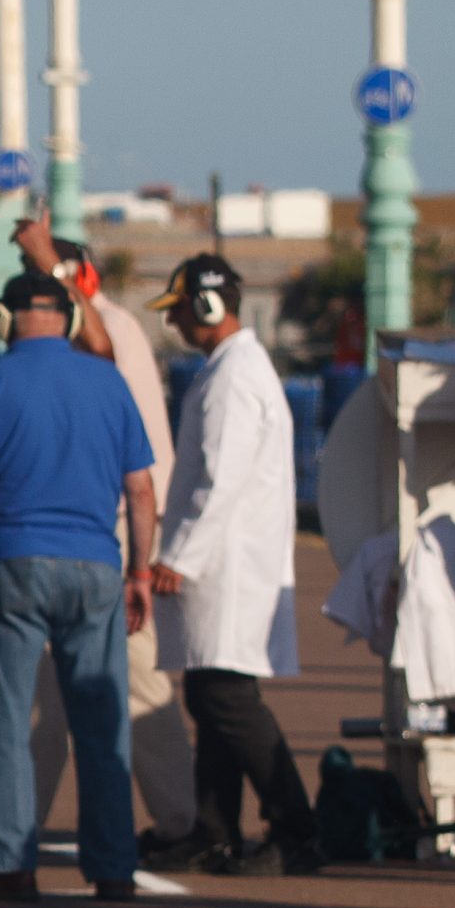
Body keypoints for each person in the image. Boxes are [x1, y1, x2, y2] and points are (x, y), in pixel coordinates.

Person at [0, 268, 157, 902]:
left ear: (3, 320)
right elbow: (142, 491)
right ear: (70, 319)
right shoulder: (109, 383)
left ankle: (10, 865)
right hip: (95, 567)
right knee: (101, 720)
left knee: (3, 718)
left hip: (9, 564)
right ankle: (113, 868)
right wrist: (140, 573)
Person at [9, 219, 196, 853]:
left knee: (135, 684)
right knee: (52, 692)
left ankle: (181, 822)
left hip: (117, 532)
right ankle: (15, 825)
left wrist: (51, 265)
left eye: (41, 290)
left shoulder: (109, 326)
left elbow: (98, 352)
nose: (32, 307)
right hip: (92, 532)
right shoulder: (86, 330)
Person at [143, 255, 323, 876]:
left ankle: (296, 831)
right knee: (211, 693)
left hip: (228, 565)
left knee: (228, 698)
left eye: (180, 311)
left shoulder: (234, 378)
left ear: (209, 306)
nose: (175, 325)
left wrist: (179, 557)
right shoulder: (229, 370)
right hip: (227, 564)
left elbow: (220, 480)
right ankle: (214, 831)